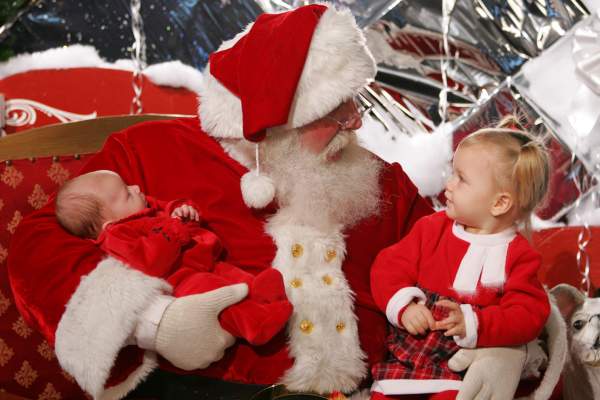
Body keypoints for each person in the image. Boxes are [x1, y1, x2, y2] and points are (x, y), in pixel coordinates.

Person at [7, 4, 548, 400]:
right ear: (270, 124)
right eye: (336, 111)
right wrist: (155, 320)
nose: (356, 122)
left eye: (354, 103)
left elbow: (469, 251)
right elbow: (37, 248)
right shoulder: (149, 153)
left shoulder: (382, 183)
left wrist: (507, 340)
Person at [370, 122, 552, 400]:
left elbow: (529, 315)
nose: (448, 184)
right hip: (408, 356)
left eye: (461, 179)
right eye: (452, 173)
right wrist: (404, 305)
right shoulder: (431, 228)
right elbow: (388, 267)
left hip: (461, 370)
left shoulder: (518, 256)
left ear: (499, 203)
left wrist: (476, 323)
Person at [54, 169, 292, 346]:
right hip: (181, 282)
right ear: (110, 222)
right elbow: (152, 263)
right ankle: (255, 325)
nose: (136, 187)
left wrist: (181, 210)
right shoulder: (117, 235)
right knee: (219, 295)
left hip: (208, 263)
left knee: (236, 278)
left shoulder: (143, 209)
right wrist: (175, 227)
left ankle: (261, 294)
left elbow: (169, 210)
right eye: (127, 193)